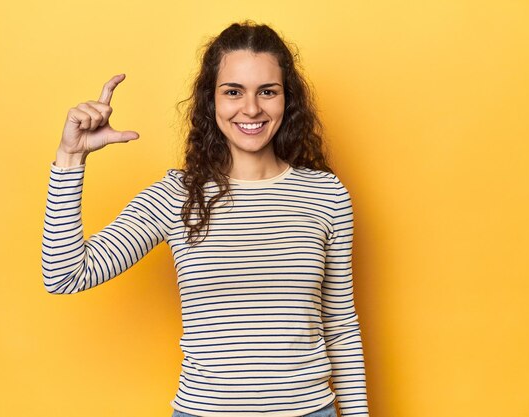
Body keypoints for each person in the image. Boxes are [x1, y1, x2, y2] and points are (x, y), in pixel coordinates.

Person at [42, 20, 369, 417]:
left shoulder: (325, 195)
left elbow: (340, 326)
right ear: (211, 100)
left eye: (268, 91)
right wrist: (70, 158)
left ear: (288, 99)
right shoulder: (176, 196)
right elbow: (64, 275)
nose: (251, 108)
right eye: (234, 92)